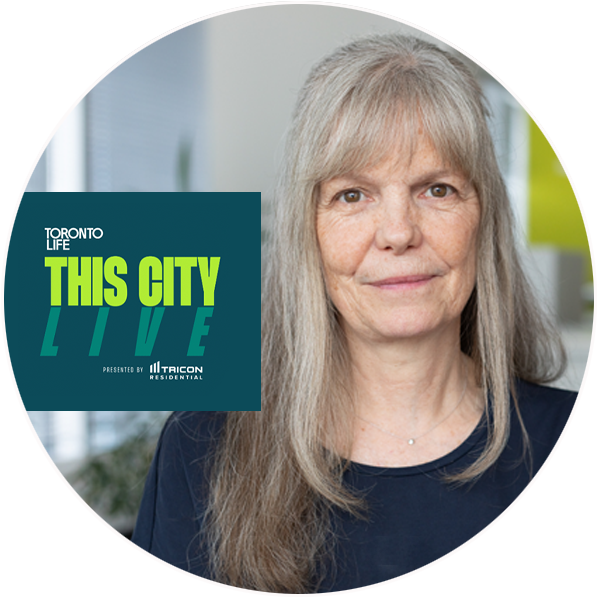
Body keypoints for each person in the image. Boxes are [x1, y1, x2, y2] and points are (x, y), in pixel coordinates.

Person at [117, 34, 596, 595]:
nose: (398, 232)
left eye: (437, 189)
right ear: (308, 230)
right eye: (352, 195)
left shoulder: (576, 448)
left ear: (482, 219)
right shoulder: (203, 447)